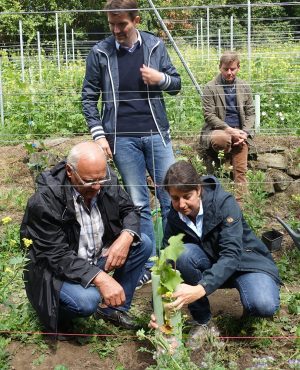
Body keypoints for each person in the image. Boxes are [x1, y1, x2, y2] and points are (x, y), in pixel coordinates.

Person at [82, 0, 181, 288]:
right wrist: (99, 135)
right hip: (121, 139)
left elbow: (176, 84)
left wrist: (160, 78)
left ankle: (172, 262)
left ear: (135, 20)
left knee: (170, 198)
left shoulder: (154, 46)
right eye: (111, 24)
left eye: (121, 24)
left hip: (156, 134)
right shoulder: (100, 52)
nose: (116, 30)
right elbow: (88, 97)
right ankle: (148, 264)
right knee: (138, 204)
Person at [20, 142, 152, 335]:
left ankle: (112, 310)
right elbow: (56, 256)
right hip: (57, 273)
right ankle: (60, 319)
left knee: (143, 244)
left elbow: (129, 210)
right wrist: (100, 279)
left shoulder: (105, 180)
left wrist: (126, 236)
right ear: (70, 171)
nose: (98, 187)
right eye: (90, 181)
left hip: (94, 259)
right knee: (86, 301)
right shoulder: (45, 200)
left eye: (102, 179)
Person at [153, 160, 280, 348]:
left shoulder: (224, 203)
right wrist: (158, 306)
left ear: (198, 189)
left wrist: (200, 288)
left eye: (187, 196)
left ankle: (249, 307)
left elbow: (231, 254)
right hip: (211, 264)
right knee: (182, 254)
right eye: (175, 198)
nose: (181, 204)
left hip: (245, 264)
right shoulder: (174, 216)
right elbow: (167, 261)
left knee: (263, 304)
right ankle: (203, 321)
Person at [200, 51, 255, 201]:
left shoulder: (244, 86)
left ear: (238, 68)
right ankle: (224, 159)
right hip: (219, 130)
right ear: (220, 67)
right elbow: (209, 115)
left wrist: (244, 133)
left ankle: (241, 205)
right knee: (221, 140)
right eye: (226, 69)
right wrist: (230, 131)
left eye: (233, 69)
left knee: (241, 172)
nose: (229, 72)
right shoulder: (210, 87)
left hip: (240, 132)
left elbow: (251, 113)